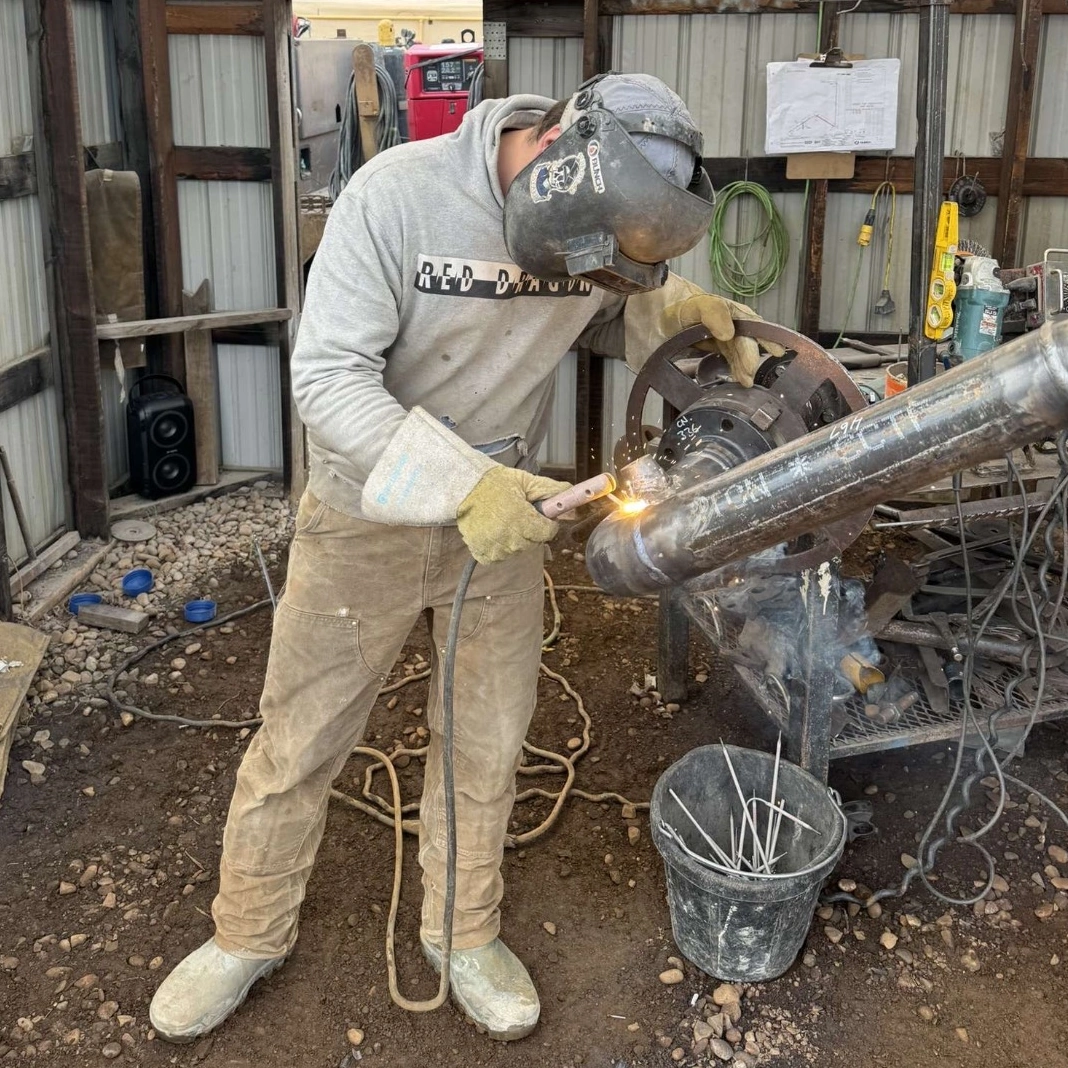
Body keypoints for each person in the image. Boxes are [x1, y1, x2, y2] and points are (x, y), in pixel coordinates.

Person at [149, 71, 776, 1044]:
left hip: (504, 526)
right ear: (560, 149)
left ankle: (462, 932)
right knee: (301, 737)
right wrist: (458, 483)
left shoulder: (593, 228)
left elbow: (612, 311)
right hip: (367, 514)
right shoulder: (397, 197)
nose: (598, 266)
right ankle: (247, 934)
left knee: (486, 742)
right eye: (601, 246)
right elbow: (325, 376)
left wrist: (682, 315)